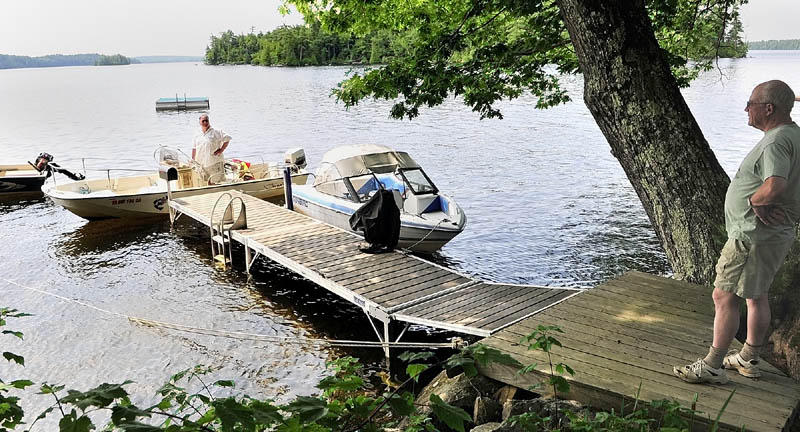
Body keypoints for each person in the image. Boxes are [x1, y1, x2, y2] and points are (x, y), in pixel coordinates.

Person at [674, 80, 800, 384]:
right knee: (757, 296)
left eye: (751, 102)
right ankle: (748, 358)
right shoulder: (794, 135)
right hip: (773, 234)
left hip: (752, 236)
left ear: (768, 108)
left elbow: (776, 184)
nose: (746, 108)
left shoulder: (776, 141)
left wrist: (756, 201)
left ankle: (713, 365)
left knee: (723, 295)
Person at [192, 114, 231, 184]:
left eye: (206, 121)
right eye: (203, 121)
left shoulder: (216, 131)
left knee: (217, 182)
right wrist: (192, 160)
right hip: (202, 163)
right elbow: (194, 148)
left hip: (214, 162)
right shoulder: (197, 133)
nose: (205, 123)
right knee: (205, 182)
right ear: (199, 122)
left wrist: (221, 150)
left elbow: (227, 138)